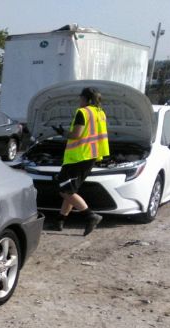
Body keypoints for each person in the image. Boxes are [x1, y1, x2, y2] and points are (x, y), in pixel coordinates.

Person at [52, 87, 110, 235]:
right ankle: (60, 219)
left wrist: (63, 132)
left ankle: (90, 215)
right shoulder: (100, 113)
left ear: (87, 99)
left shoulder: (83, 112)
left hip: (78, 157)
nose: (80, 100)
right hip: (90, 155)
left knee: (63, 189)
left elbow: (76, 134)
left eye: (81, 98)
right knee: (71, 190)